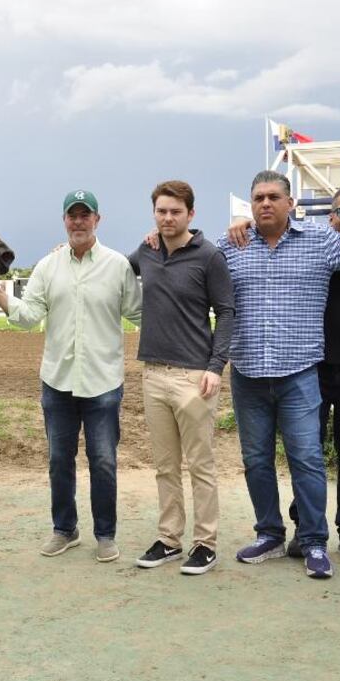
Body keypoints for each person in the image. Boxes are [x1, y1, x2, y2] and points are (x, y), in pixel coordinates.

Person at [222, 170, 340, 579]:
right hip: (248, 372)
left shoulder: (320, 241)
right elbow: (191, 260)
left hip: (298, 372)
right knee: (256, 460)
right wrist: (153, 243)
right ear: (251, 205)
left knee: (307, 459)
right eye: (258, 198)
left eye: (274, 197)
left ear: (291, 203)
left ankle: (313, 541)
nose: (266, 204)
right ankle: (270, 533)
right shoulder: (231, 246)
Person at [0, 190, 142, 563]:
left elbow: (140, 314)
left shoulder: (118, 266)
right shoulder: (48, 267)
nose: (79, 221)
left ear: (98, 220)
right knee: (58, 461)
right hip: (57, 382)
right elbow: (27, 316)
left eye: (86, 215)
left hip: (103, 383)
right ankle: (64, 529)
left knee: (103, 462)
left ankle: (105, 534)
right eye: (73, 215)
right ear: (64, 220)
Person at [128, 181, 234, 575]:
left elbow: (226, 312)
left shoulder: (209, 256)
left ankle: (205, 543)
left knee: (201, 466)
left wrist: (215, 366)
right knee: (165, 466)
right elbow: (109, 268)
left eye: (175, 211)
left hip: (195, 377)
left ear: (191, 213)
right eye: (161, 211)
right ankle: (170, 539)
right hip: (153, 374)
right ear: (154, 213)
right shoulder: (146, 251)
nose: (168, 218)